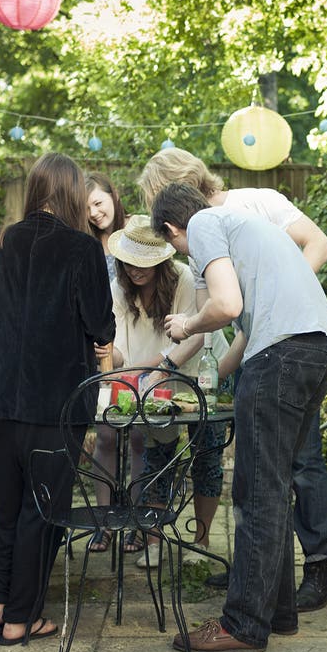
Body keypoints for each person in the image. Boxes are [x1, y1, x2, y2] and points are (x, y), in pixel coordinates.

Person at [138, 148, 327, 611]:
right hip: (287, 344)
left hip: (285, 343)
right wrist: (181, 370)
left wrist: (278, 293)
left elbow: (314, 248)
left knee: (276, 475)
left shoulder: (237, 210)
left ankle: (300, 579)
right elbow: (217, 322)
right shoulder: (206, 232)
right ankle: (270, 590)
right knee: (263, 479)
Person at [0, 152, 116, 646]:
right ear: (73, 193)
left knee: (8, 507)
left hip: (0, 397)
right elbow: (101, 324)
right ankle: (21, 619)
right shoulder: (82, 249)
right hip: (57, 400)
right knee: (43, 508)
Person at [94, 216, 227, 564]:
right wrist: (106, 352)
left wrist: (154, 369)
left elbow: (197, 335)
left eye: (145, 263)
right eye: (130, 262)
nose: (136, 270)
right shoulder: (118, 288)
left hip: (202, 371)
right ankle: (151, 539)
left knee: (207, 454)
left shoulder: (184, 278)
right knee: (153, 453)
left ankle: (200, 541)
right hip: (146, 376)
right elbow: (120, 349)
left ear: (161, 260)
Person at [86, 171, 127, 281]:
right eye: (86, 208)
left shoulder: (138, 228)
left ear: (115, 195)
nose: (93, 213)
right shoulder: (89, 241)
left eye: (98, 203)